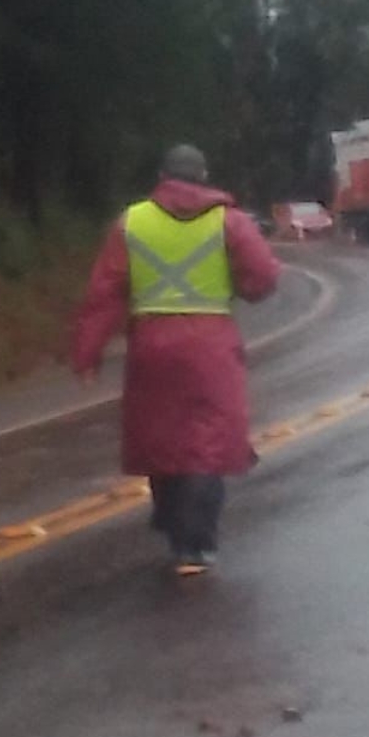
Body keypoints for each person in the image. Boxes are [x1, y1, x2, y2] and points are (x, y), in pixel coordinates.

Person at [72, 144, 281, 576]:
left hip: (151, 344)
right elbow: (262, 278)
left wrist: (87, 353)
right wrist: (238, 286)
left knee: (161, 436)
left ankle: (170, 521)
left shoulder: (132, 222)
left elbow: (103, 295)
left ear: (162, 177)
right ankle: (195, 545)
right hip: (210, 345)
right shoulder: (229, 221)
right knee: (206, 442)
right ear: (203, 177)